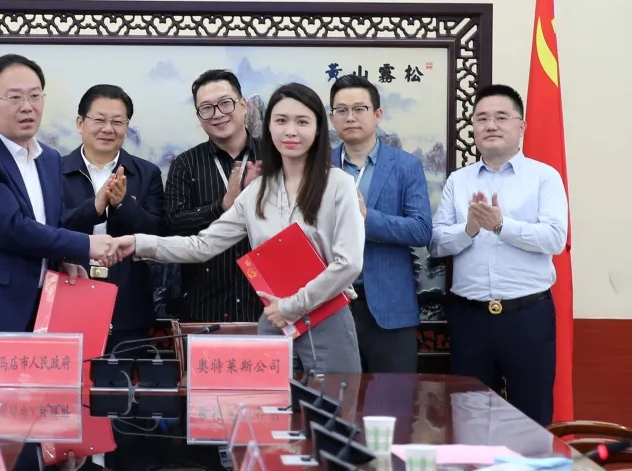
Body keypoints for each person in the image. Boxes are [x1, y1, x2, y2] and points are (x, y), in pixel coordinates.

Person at [111, 82, 364, 374]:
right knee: (268, 401)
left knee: (333, 401)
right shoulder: (257, 191)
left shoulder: (339, 185)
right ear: (269, 128)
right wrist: (138, 243)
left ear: (318, 129)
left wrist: (291, 307)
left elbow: (349, 263)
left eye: (302, 122)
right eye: (281, 121)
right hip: (273, 319)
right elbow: (202, 245)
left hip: (326, 318)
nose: (290, 131)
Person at [0, 54, 120, 369]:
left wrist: (65, 258)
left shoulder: (48, 158)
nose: (27, 107)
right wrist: (87, 244)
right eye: (15, 97)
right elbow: (11, 228)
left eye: (35, 96)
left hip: (42, 313)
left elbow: (50, 223)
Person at [430, 84, 567, 426]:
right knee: (470, 419)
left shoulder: (543, 177)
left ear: (521, 126)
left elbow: (555, 238)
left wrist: (502, 225)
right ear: (473, 128)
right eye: (482, 118)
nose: (490, 125)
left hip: (527, 317)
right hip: (470, 318)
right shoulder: (458, 181)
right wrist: (469, 229)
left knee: (531, 420)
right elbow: (435, 243)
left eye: (501, 117)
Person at [329, 74, 432, 372]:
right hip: (330, 303)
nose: (350, 117)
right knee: (334, 396)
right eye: (341, 110)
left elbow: (421, 230)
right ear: (332, 118)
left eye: (359, 109)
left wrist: (367, 219)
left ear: (377, 114)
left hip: (389, 307)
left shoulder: (406, 165)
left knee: (393, 397)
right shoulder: (318, 166)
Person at [60, 84, 165, 353]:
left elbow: (157, 234)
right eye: (99, 120)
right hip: (68, 293)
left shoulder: (147, 173)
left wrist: (122, 204)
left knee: (122, 376)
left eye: (118, 122)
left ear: (126, 128)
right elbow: (50, 229)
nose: (108, 129)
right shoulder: (54, 171)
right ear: (80, 123)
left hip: (128, 299)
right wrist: (94, 208)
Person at [162, 69, 264, 323]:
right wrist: (221, 207)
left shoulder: (274, 158)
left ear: (243, 106)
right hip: (205, 305)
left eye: (225, 103)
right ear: (199, 116)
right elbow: (173, 224)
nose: (218, 114)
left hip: (268, 305)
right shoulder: (185, 164)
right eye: (207, 108)